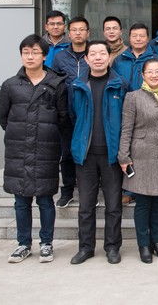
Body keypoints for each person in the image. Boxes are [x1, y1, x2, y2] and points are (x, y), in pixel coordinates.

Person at [0, 34, 70, 264]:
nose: (30, 56)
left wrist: (46, 135)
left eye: (35, 52)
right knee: (21, 201)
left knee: (45, 200)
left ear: (45, 56)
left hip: (46, 150)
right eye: (25, 52)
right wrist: (20, 133)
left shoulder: (56, 84)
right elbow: (3, 117)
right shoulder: (10, 85)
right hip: (18, 150)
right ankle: (23, 244)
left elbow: (63, 118)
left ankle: (46, 243)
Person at [68, 40, 128, 265]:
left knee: (113, 206)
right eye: (93, 54)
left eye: (102, 53)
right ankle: (86, 247)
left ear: (109, 57)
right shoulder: (76, 85)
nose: (98, 57)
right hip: (85, 155)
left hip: (112, 155)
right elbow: (71, 116)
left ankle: (112, 247)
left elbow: (127, 119)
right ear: (86, 59)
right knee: (85, 206)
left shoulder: (120, 84)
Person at [118, 59, 158, 264]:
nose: (154, 75)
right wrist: (124, 156)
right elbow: (126, 128)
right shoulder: (133, 97)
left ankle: (156, 242)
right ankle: (143, 245)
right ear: (142, 75)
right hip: (141, 157)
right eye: (150, 72)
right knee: (143, 204)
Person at [113, 23, 158, 207]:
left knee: (145, 150)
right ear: (129, 37)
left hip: (150, 109)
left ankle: (145, 188)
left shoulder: (155, 58)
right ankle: (128, 190)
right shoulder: (119, 60)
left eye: (142, 35)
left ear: (148, 38)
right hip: (125, 108)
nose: (138, 39)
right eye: (135, 36)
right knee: (127, 147)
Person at [52, 16, 91, 208]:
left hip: (89, 113)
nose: (78, 33)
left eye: (82, 29)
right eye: (74, 30)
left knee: (90, 153)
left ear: (88, 33)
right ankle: (67, 191)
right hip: (66, 113)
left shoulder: (94, 53)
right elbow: (54, 84)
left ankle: (88, 192)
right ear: (69, 33)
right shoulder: (60, 57)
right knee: (67, 153)